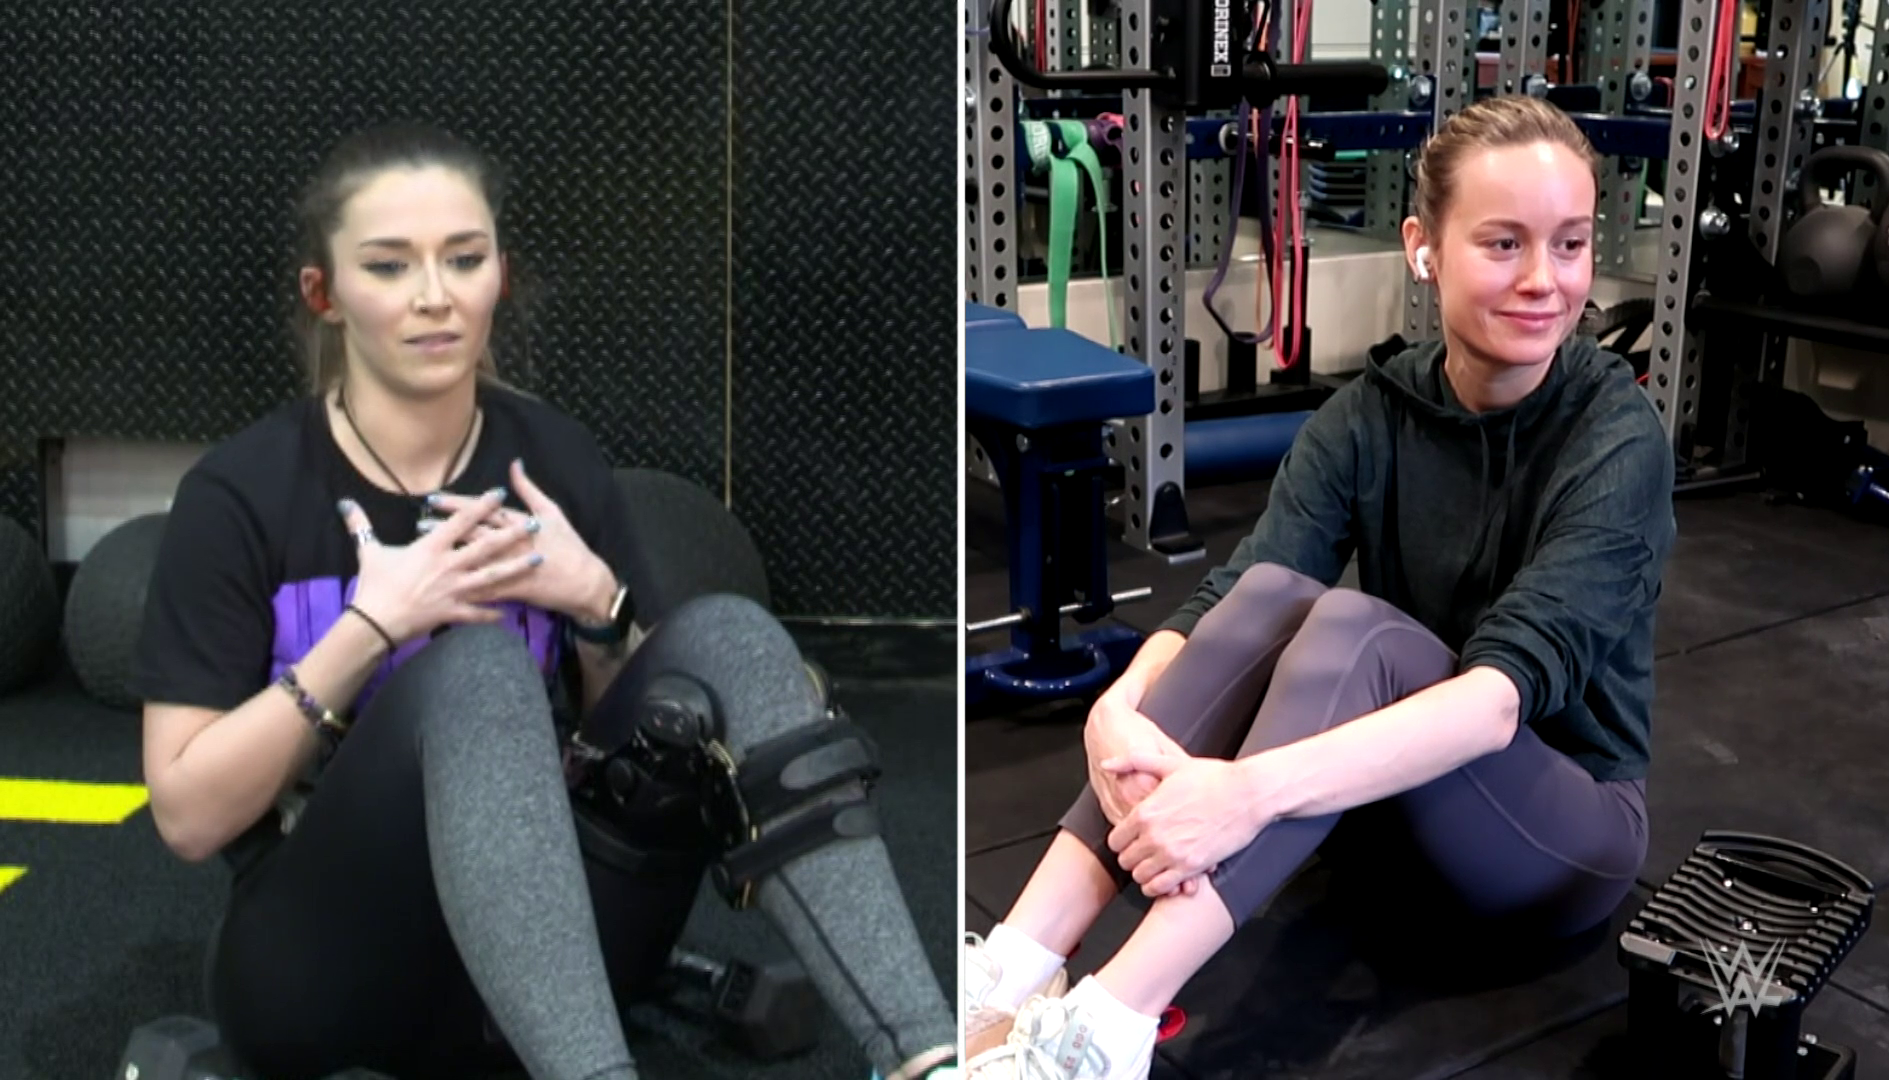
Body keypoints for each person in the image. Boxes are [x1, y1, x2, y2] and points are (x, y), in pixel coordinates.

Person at [132, 121, 957, 1080]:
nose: (435, 295)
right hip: (326, 970)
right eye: (390, 266)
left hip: (555, 953)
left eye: (464, 259)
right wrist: (369, 629)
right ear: (326, 294)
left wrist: (598, 606)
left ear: (500, 275)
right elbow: (186, 818)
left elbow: (649, 743)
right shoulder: (242, 493)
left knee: (730, 637)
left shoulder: (551, 459)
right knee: (477, 671)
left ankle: (929, 1055)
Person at [963, 94, 1677, 1079]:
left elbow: (1497, 703)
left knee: (1353, 630)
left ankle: (1106, 1030)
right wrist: (1115, 709)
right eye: (1503, 243)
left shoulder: (1614, 438)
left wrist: (1245, 796)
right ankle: (1013, 970)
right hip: (1385, 810)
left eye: (1570, 245)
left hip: (1554, 839)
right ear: (1423, 248)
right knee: (1270, 598)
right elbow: (1236, 596)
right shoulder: (1369, 413)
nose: (1542, 281)